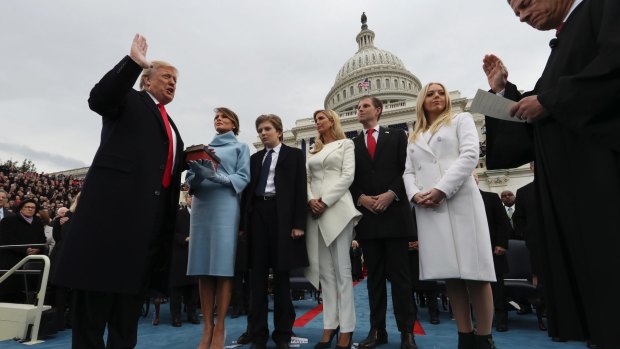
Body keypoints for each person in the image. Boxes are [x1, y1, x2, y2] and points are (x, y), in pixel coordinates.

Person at [482, 1, 620, 347]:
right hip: (574, 192)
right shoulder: (562, 44)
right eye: (516, 13)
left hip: (603, 181)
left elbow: (610, 71)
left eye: (524, 5)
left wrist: (550, 101)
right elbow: (534, 117)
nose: (523, 16)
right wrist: (501, 93)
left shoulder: (604, 8)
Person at [53, 34, 185, 348]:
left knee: (126, 321)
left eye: (176, 80)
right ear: (147, 80)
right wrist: (132, 63)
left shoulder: (171, 124)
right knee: (93, 316)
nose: (173, 83)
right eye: (167, 77)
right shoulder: (129, 100)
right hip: (110, 225)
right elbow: (100, 99)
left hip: (144, 233)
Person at [403, 82, 496, 348]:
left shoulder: (461, 119)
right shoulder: (415, 134)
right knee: (451, 275)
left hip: (459, 201)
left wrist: (441, 189)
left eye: (440, 92)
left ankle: (484, 337)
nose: (436, 97)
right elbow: (408, 172)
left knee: (475, 272)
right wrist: (414, 195)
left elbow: (469, 155)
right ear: (422, 100)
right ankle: (464, 336)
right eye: (430, 93)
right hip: (429, 208)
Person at [350, 96, 417, 349]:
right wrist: (361, 198)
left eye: (365, 106)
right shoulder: (352, 143)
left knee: (401, 278)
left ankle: (406, 332)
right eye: (357, 107)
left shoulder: (397, 136)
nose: (360, 109)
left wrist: (392, 193)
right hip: (369, 219)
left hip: (395, 215)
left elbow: (407, 169)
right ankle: (377, 331)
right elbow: (350, 178)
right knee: (374, 279)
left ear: (378, 110)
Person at [240, 114, 308, 349]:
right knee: (256, 279)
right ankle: (257, 335)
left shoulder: (295, 155)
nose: (263, 133)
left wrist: (299, 224)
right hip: (257, 215)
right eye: (259, 130)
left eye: (267, 128)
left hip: (282, 217)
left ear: (279, 131)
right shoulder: (255, 158)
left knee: (281, 278)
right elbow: (246, 193)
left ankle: (283, 335)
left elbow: (301, 190)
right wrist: (242, 225)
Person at [186, 107, 251, 349]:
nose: (219, 120)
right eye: (216, 117)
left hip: (226, 205)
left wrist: (218, 177)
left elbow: (243, 178)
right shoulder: (203, 148)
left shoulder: (240, 147)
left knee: (222, 267)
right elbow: (190, 182)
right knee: (203, 267)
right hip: (202, 205)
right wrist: (196, 174)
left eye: (224, 117)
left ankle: (220, 327)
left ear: (234, 124)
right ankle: (207, 328)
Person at [305, 109, 361, 349]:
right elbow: (306, 179)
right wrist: (310, 200)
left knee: (343, 271)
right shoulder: (312, 151)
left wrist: (325, 200)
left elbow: (348, 176)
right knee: (325, 273)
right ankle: (330, 325)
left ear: (332, 122)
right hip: (314, 212)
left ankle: (347, 328)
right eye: (315, 119)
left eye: (322, 118)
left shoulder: (346, 144)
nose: (318, 122)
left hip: (337, 208)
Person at [476, 179, 511, 332]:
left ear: (476, 181)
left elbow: (503, 223)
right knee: (476, 288)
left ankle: (501, 319)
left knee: (497, 288)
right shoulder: (457, 202)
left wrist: (502, 244)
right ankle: (482, 320)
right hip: (472, 252)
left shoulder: (491, 197)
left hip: (493, 250)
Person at [0, 199, 46, 303]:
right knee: (9, 290)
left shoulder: (37, 222)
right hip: (11, 259)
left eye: (33, 207)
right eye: (27, 207)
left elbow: (42, 239)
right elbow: (5, 239)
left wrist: (38, 249)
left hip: (31, 260)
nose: (30, 209)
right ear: (21, 208)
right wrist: (24, 250)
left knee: (27, 291)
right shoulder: (8, 221)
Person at [169, 192, 199, 327]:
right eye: (190, 197)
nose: (192, 199)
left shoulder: (202, 215)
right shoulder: (179, 214)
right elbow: (171, 233)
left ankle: (192, 315)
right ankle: (176, 317)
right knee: (177, 290)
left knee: (192, 289)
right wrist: (185, 239)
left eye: (195, 197)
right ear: (186, 199)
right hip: (180, 254)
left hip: (196, 255)